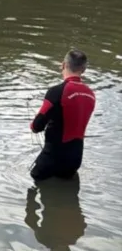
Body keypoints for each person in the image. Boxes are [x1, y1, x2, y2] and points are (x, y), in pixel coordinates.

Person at [30, 49, 96, 182]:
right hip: (75, 158)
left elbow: (36, 126)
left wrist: (33, 124)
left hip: (52, 157)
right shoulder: (91, 94)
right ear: (83, 70)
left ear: (63, 65)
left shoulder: (56, 92)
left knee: (34, 181)